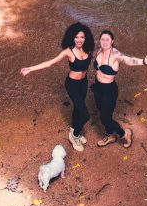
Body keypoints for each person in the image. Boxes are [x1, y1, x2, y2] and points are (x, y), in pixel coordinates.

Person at [20, 22, 94, 152]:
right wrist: (30, 69)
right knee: (85, 115)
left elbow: (105, 51)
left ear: (86, 38)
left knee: (78, 108)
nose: (79, 40)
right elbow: (49, 63)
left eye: (82, 37)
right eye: (76, 37)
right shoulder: (69, 51)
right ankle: (74, 135)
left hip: (84, 83)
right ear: (72, 38)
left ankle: (73, 129)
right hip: (72, 84)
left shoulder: (89, 49)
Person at [92, 29, 147, 148]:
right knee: (103, 113)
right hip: (97, 87)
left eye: (107, 39)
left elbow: (129, 60)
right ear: (100, 40)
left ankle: (124, 133)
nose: (105, 42)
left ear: (112, 41)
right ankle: (110, 135)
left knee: (105, 118)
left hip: (109, 90)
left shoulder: (116, 55)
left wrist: (144, 61)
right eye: (102, 39)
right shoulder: (99, 50)